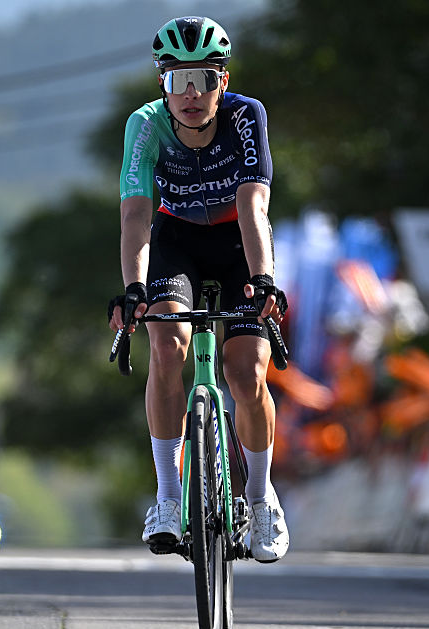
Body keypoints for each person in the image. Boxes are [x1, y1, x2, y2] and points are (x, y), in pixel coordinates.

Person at [108, 16, 289, 562]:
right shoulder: (145, 125)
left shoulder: (245, 116)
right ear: (161, 84)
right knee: (167, 348)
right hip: (176, 242)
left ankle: (260, 499)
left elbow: (253, 206)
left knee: (246, 372)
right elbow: (136, 216)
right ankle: (167, 497)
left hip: (238, 245)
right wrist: (133, 289)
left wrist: (263, 279)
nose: (190, 94)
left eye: (203, 79)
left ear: (223, 82)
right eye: (177, 80)